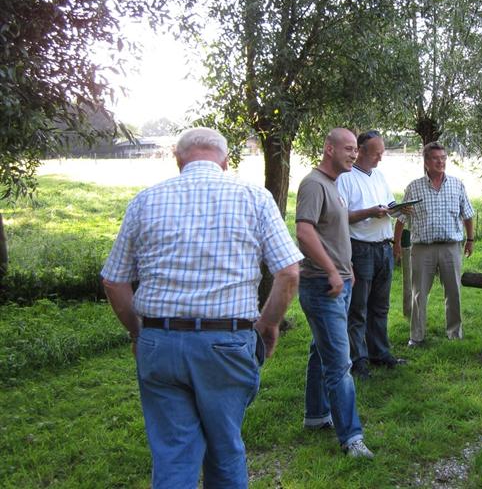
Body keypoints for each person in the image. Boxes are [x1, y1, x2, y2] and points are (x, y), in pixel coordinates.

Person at [101, 127, 303, 489]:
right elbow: (288, 272)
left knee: (173, 454)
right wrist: (269, 324)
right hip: (226, 344)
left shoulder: (145, 201)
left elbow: (113, 281)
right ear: (225, 162)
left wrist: (137, 332)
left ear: (178, 160)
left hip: (160, 344)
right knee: (225, 449)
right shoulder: (254, 198)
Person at [295, 128, 373, 458]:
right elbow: (304, 231)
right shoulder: (314, 184)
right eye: (349, 148)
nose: (354, 154)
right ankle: (351, 438)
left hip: (338, 282)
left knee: (321, 350)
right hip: (322, 285)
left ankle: (316, 415)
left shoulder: (334, 184)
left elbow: (332, 233)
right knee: (340, 363)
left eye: (356, 149)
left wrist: (346, 267)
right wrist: (330, 270)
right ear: (329, 149)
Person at [336, 130, 405, 379]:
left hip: (383, 246)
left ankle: (380, 352)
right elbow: (340, 217)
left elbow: (389, 204)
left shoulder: (379, 176)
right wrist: (370, 212)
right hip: (360, 248)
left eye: (382, 153)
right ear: (362, 151)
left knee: (380, 305)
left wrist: (401, 209)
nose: (380, 158)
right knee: (358, 307)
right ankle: (358, 359)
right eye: (377, 153)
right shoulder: (345, 178)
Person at [393, 141, 475, 346]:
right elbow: (401, 218)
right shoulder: (414, 187)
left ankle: (455, 334)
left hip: (451, 247)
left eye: (443, 158)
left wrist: (470, 239)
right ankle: (416, 336)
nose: (441, 162)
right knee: (419, 293)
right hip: (422, 248)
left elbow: (468, 215)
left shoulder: (457, 184)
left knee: (454, 291)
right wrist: (396, 244)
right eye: (436, 158)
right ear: (426, 162)